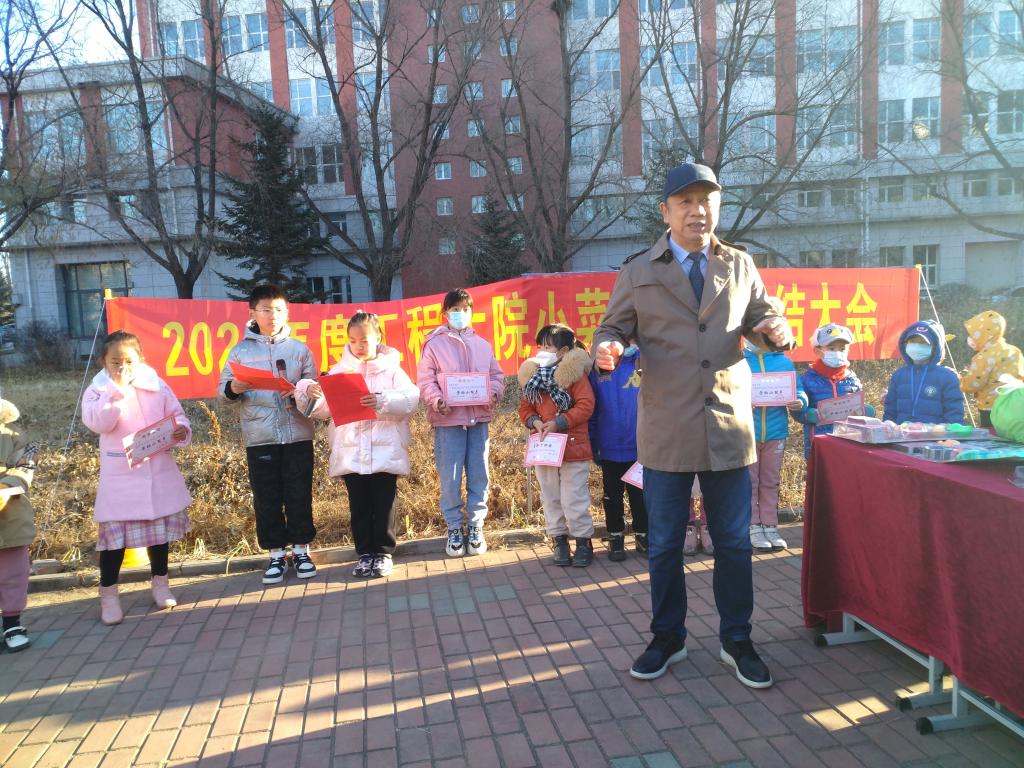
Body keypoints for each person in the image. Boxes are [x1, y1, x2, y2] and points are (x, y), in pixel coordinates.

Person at [593, 162, 793, 688]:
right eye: (685, 202)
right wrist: (607, 346)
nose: (697, 211)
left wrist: (776, 329)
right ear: (665, 211)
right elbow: (612, 326)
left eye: (706, 200)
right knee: (664, 545)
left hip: (728, 424)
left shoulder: (740, 264)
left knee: (734, 543)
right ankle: (668, 637)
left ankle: (737, 639)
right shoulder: (639, 270)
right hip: (666, 426)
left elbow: (762, 317)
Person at [82, 331, 193, 625]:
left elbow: (178, 415)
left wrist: (181, 430)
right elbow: (100, 423)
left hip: (157, 470)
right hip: (121, 478)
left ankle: (161, 584)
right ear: (103, 361)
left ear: (141, 358)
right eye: (115, 361)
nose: (123, 367)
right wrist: (115, 392)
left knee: (159, 536)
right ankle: (109, 596)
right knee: (114, 543)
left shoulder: (157, 385)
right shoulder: (97, 390)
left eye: (129, 361)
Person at [298, 312, 419, 578]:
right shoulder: (339, 371)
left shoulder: (392, 370)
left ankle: (383, 553)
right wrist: (310, 392)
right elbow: (322, 410)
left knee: (384, 504)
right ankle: (364, 554)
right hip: (351, 451)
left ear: (378, 337)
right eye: (353, 341)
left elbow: (411, 398)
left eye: (364, 339)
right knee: (359, 506)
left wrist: (382, 401)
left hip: (386, 450)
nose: (359, 346)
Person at [219, 284, 318, 585]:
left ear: (287, 312)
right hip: (260, 436)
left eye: (278, 310)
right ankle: (276, 554)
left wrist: (301, 394)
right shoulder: (240, 351)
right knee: (267, 497)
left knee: (299, 494)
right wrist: (234, 388)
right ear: (252, 313)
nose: (272, 315)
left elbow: (315, 394)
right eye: (265, 309)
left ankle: (301, 551)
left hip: (298, 434)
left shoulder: (300, 350)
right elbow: (222, 394)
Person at [416, 288, 505, 558]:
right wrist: (437, 400)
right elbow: (425, 380)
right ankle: (454, 528)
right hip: (448, 421)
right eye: (455, 310)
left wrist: (494, 393)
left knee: (479, 476)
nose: (461, 314)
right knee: (450, 479)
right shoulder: (433, 344)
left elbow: (496, 376)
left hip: (478, 420)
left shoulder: (483, 344)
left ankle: (476, 527)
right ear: (445, 313)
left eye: (465, 309)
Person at [519, 324, 596, 567]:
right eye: (539, 346)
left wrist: (559, 422)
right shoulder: (533, 377)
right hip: (545, 448)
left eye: (547, 347)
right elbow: (525, 408)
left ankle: (583, 541)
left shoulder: (576, 375)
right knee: (550, 496)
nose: (541, 351)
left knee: (574, 498)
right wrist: (534, 421)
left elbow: (586, 405)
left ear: (563, 351)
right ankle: (559, 539)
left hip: (574, 447)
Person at [743, 298, 807, 552]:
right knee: (750, 484)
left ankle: (770, 525)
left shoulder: (784, 362)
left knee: (770, 481)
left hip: (776, 432)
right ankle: (752, 526)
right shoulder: (738, 361)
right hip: (747, 434)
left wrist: (799, 401)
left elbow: (798, 390)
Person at [588, 340, 647, 560]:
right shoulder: (599, 365)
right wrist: (593, 441)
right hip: (609, 445)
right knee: (612, 496)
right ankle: (615, 537)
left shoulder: (645, 360)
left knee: (640, 495)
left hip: (640, 446)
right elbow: (592, 408)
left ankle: (643, 535)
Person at [795, 323, 873, 457]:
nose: (838, 352)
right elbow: (798, 413)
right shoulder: (807, 380)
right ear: (818, 351)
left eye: (842, 348)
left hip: (849, 442)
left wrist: (866, 411)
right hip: (819, 443)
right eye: (831, 348)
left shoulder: (852, 379)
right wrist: (809, 415)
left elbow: (859, 408)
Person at [0, 393, 37, 651]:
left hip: (11, 516)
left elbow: (26, 466)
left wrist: (5, 488)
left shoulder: (16, 436)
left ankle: (12, 622)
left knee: (14, 573)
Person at [884, 320, 964, 425]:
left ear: (935, 346)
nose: (916, 346)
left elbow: (954, 414)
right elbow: (890, 410)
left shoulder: (947, 377)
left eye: (923, 343)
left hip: (935, 434)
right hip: (902, 434)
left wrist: (947, 432)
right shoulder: (899, 376)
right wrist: (887, 427)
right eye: (912, 342)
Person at [960, 310, 1024, 427]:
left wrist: (959, 380)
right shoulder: (1015, 351)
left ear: (983, 334)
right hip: (1015, 404)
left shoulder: (983, 357)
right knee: (1011, 433)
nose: (971, 338)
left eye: (973, 334)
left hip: (990, 407)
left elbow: (973, 385)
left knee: (991, 436)